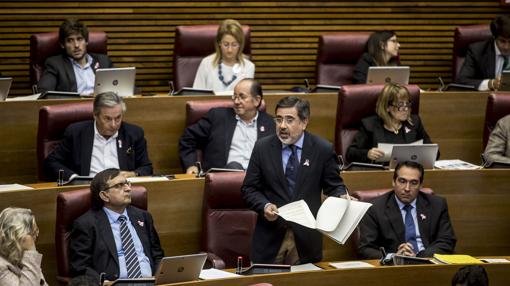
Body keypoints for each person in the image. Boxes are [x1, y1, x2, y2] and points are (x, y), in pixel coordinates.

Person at [242, 96, 348, 265]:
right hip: (270, 238)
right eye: (279, 119)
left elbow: (334, 186)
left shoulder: (322, 149)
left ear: (304, 122)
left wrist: (342, 196)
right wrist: (265, 206)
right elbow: (249, 189)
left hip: (306, 240)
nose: (282, 126)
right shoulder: (262, 147)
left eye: (289, 120)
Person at [69, 168, 164, 281]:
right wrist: (102, 282)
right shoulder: (86, 224)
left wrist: (160, 276)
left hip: (150, 282)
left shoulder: (143, 217)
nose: (128, 188)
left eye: (127, 183)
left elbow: (157, 255)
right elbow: (80, 267)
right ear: (104, 195)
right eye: (119, 185)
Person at [44, 91, 153, 181]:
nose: (114, 124)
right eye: (107, 119)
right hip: (86, 189)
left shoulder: (133, 133)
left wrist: (133, 174)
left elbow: (147, 167)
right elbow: (52, 162)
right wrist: (75, 179)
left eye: (118, 118)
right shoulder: (76, 133)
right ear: (95, 115)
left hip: (120, 190)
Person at [358, 161, 456, 259]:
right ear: (393, 181)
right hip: (394, 268)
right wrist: (393, 257)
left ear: (421, 185)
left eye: (414, 183)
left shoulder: (437, 205)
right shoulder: (375, 208)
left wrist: (419, 257)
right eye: (402, 181)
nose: (407, 188)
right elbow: (366, 248)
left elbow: (446, 241)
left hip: (428, 262)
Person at [179, 78, 275, 174]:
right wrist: (191, 165)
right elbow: (187, 139)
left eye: (242, 97)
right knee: (234, 166)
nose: (236, 101)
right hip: (224, 179)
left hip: (259, 181)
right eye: (235, 96)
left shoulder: (271, 124)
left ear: (257, 100)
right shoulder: (217, 117)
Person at [346, 82, 434, 163]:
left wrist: (423, 152)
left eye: (407, 104)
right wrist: (368, 154)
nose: (406, 109)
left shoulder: (414, 122)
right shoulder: (369, 125)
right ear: (387, 107)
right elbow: (350, 153)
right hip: (381, 174)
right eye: (400, 105)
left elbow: (433, 152)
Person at [37, 19, 113, 95]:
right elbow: (44, 93)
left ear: (86, 41)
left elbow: (118, 88)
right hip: (74, 105)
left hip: (103, 105)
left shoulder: (104, 61)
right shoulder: (55, 65)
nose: (76, 45)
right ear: (63, 45)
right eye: (70, 40)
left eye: (79, 39)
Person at [192, 19, 255, 93]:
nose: (230, 50)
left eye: (234, 45)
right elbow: (196, 95)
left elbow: (247, 100)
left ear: (240, 45)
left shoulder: (248, 67)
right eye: (226, 44)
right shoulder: (206, 64)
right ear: (219, 43)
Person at [456, 14, 510, 91]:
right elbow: (462, 81)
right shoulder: (477, 51)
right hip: (486, 100)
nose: (506, 47)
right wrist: (490, 83)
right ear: (494, 37)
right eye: (502, 41)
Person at [0, 207, 48, 286]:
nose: (37, 234)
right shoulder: (1, 267)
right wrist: (31, 253)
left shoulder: (19, 255)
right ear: (19, 236)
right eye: (34, 232)